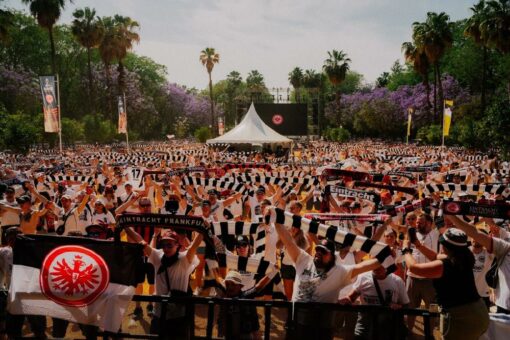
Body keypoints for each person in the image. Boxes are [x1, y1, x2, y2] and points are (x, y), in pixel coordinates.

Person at [272, 206, 383, 339]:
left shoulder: (340, 271)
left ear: (331, 256)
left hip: (321, 327)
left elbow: (366, 265)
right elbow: (288, 241)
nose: (318, 252)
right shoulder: (303, 260)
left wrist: (385, 255)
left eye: (323, 251)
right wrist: (277, 218)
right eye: (317, 249)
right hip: (297, 322)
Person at [403, 226, 489, 340]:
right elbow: (434, 256)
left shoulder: (445, 265)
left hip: (460, 318)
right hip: (479, 313)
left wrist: (406, 250)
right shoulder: (465, 257)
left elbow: (414, 268)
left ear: (447, 247)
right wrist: (418, 245)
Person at [124, 227, 202, 339]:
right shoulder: (157, 256)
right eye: (163, 245)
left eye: (169, 245)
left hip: (178, 315)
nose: (166, 248)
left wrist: (204, 230)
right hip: (159, 313)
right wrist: (127, 228)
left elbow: (194, 246)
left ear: (177, 245)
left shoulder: (184, 259)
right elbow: (140, 241)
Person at [446, 215, 510, 315]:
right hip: (470, 294)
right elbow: (474, 232)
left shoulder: (488, 254)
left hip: (483, 295)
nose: (476, 240)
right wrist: (451, 216)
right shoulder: (465, 252)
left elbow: (493, 244)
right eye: (474, 238)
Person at [340, 264, 409, 340]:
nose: (377, 266)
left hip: (386, 329)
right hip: (364, 327)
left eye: (381, 263)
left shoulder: (397, 281)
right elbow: (351, 297)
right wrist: (347, 299)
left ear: (388, 263)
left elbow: (406, 304)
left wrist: (398, 306)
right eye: (375, 262)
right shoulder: (363, 277)